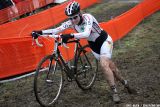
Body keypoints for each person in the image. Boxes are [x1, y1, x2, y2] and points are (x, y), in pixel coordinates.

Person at [31, 1, 136, 103]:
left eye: (75, 17)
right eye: (70, 18)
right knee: (112, 68)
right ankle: (124, 82)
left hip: (104, 41)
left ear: (80, 14)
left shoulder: (88, 17)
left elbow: (86, 34)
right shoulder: (71, 22)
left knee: (104, 64)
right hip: (94, 46)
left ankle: (114, 92)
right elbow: (55, 30)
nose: (73, 20)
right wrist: (40, 32)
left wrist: (71, 35)